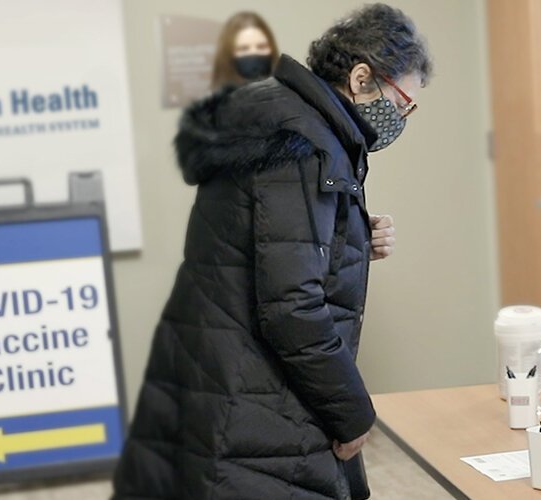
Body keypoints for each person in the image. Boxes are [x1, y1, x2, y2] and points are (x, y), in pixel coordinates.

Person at [113, 4, 426, 499]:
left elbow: (267, 239)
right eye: (403, 101)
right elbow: (291, 305)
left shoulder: (284, 118)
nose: (403, 118)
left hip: (225, 378)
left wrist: (353, 234)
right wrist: (353, 413)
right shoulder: (303, 144)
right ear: (362, 78)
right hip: (255, 402)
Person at [211, 11, 279, 88]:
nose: (254, 52)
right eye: (244, 49)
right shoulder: (220, 99)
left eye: (261, 47)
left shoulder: (290, 95)